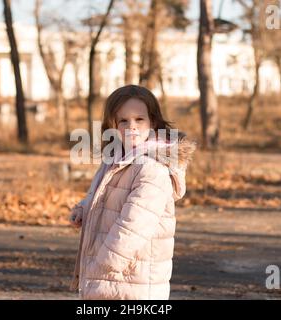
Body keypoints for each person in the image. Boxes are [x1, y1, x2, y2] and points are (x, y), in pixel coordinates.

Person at [69, 84, 196, 300]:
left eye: (139, 119)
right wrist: (84, 207)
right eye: (123, 121)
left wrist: (106, 263)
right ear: (113, 124)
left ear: (153, 121)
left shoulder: (152, 168)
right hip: (109, 279)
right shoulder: (115, 159)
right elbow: (100, 195)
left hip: (132, 279)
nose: (132, 127)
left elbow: (135, 224)